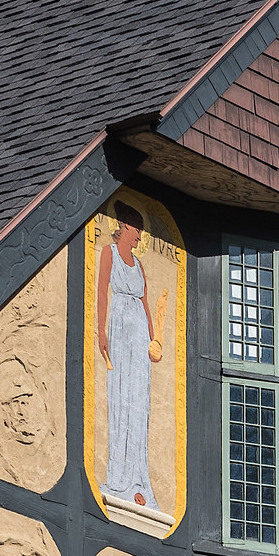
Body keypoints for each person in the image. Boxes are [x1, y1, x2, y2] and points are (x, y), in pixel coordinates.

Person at [95, 214, 161, 508]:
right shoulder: (109, 254)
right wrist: (100, 330)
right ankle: (119, 477)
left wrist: (153, 338)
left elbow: (146, 303)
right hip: (120, 328)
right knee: (121, 397)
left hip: (138, 335)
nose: (139, 235)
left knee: (139, 402)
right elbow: (101, 293)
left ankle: (137, 478)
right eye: (136, 229)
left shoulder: (140, 265)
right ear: (122, 227)